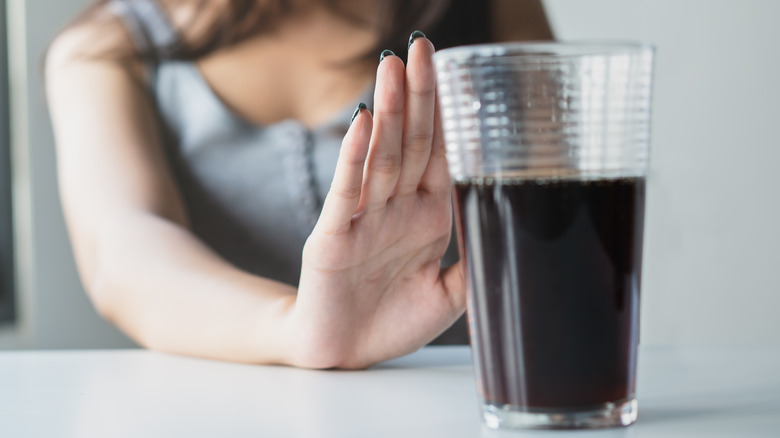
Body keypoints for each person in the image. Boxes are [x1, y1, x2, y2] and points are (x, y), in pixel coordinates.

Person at [46, 0, 553, 368]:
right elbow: (126, 249)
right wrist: (297, 328)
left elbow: (560, 216)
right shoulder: (106, 50)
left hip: (466, 404)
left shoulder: (491, 11)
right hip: (227, 414)